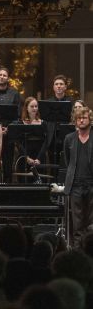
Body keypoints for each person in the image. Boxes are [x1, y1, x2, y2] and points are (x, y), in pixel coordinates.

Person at [64, 106, 93, 250]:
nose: (81, 120)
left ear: (90, 120)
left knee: (91, 221)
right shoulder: (69, 138)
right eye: (79, 118)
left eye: (84, 117)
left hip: (91, 184)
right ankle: (77, 252)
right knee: (77, 222)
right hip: (75, 184)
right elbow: (67, 160)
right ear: (75, 121)